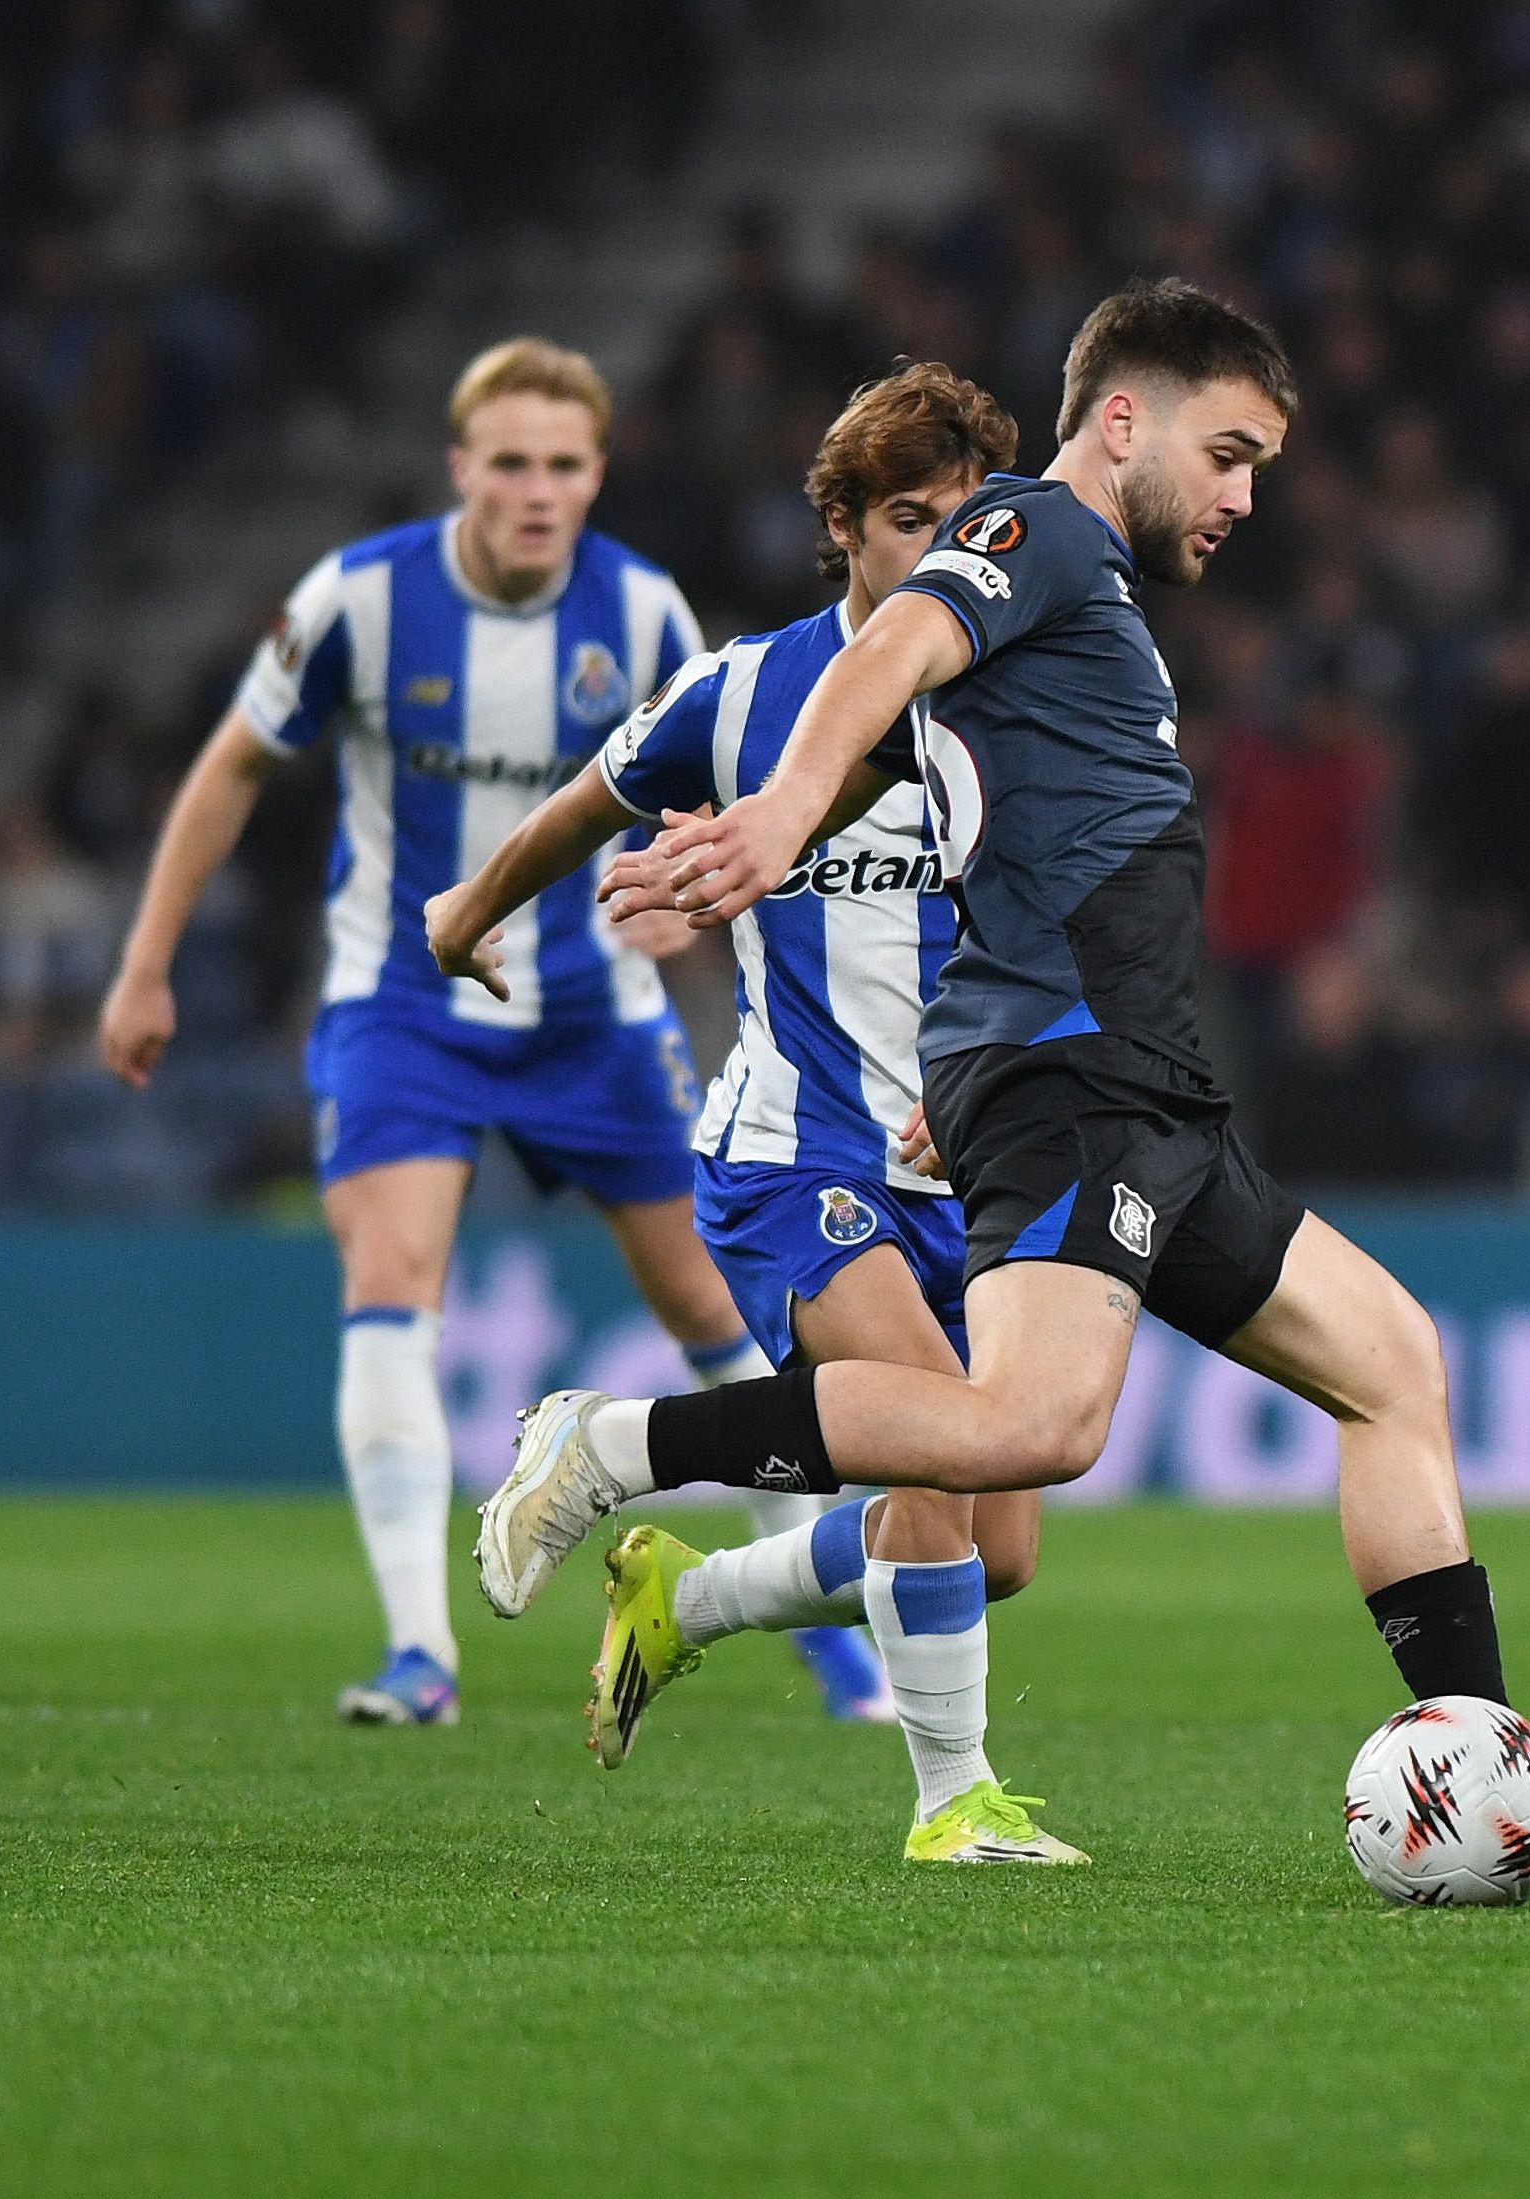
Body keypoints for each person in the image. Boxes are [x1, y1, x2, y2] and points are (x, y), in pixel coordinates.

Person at [469, 278, 1530, 1893]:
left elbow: (950, 772)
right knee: (1026, 1432)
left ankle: (1501, 1763)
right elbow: (885, 641)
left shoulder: (1070, 601)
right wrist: (769, 822)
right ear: (1127, 418)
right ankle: (615, 1445)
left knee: (1390, 1359)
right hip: (1066, 1068)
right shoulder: (1032, 530)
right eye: (1232, 452)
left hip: (1140, 1080)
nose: (1248, 495)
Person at [98, 338, 887, 1730]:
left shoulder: (642, 610)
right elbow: (235, 759)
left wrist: (675, 898)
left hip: (591, 1014)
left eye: (564, 465)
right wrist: (147, 961)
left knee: (710, 1308)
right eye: (510, 463)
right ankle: (419, 1652)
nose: (536, 490)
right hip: (404, 1002)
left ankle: (831, 1645)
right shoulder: (361, 599)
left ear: (597, 474)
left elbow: (707, 780)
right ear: (461, 468)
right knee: (395, 1270)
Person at [426, 362, 1075, 1863]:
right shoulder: (747, 695)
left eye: (966, 521)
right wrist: (471, 906)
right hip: (801, 1149)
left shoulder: (1027, 705)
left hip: (968, 1164)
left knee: (1004, 1541)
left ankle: (686, 1593)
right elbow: (588, 798)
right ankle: (952, 1801)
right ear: (842, 527)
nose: (938, 552)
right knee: (935, 1453)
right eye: (906, 519)